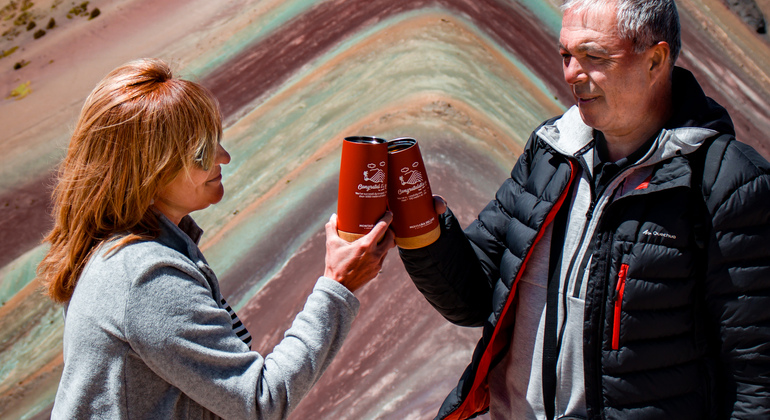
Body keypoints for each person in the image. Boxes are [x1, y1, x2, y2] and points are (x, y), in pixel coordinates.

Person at [398, 0, 770, 419]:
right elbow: (475, 296)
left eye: (593, 57)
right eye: (566, 55)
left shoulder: (728, 182)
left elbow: (756, 374)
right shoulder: (551, 153)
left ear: (655, 61)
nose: (571, 74)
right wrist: (421, 227)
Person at [37, 58, 395, 419]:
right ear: (148, 169)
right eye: (201, 152)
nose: (223, 157)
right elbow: (261, 400)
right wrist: (338, 285)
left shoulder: (125, 249)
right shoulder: (145, 277)